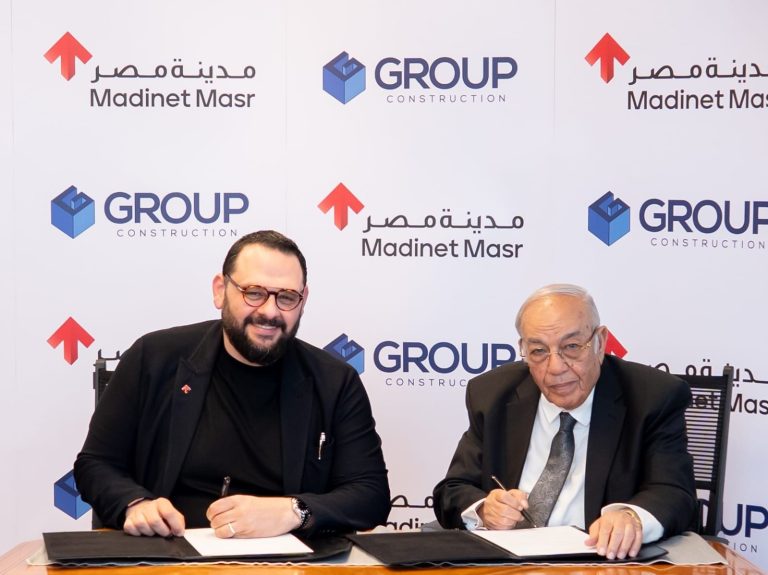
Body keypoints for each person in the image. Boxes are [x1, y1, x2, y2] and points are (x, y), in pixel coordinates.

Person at [74, 230, 390, 539]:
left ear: (303, 300)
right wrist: (136, 504)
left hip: (291, 561)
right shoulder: (153, 358)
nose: (269, 312)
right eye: (254, 293)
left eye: (286, 298)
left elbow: (370, 495)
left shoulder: (335, 382)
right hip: (168, 552)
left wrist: (294, 511)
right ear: (220, 290)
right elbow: (96, 464)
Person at [433, 284, 696, 560]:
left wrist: (632, 517)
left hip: (601, 562)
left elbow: (674, 492)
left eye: (571, 347)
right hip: (507, 563)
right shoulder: (492, 395)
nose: (556, 368)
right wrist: (484, 509)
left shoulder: (653, 397)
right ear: (523, 350)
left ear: (600, 342)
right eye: (538, 351)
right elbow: (452, 490)